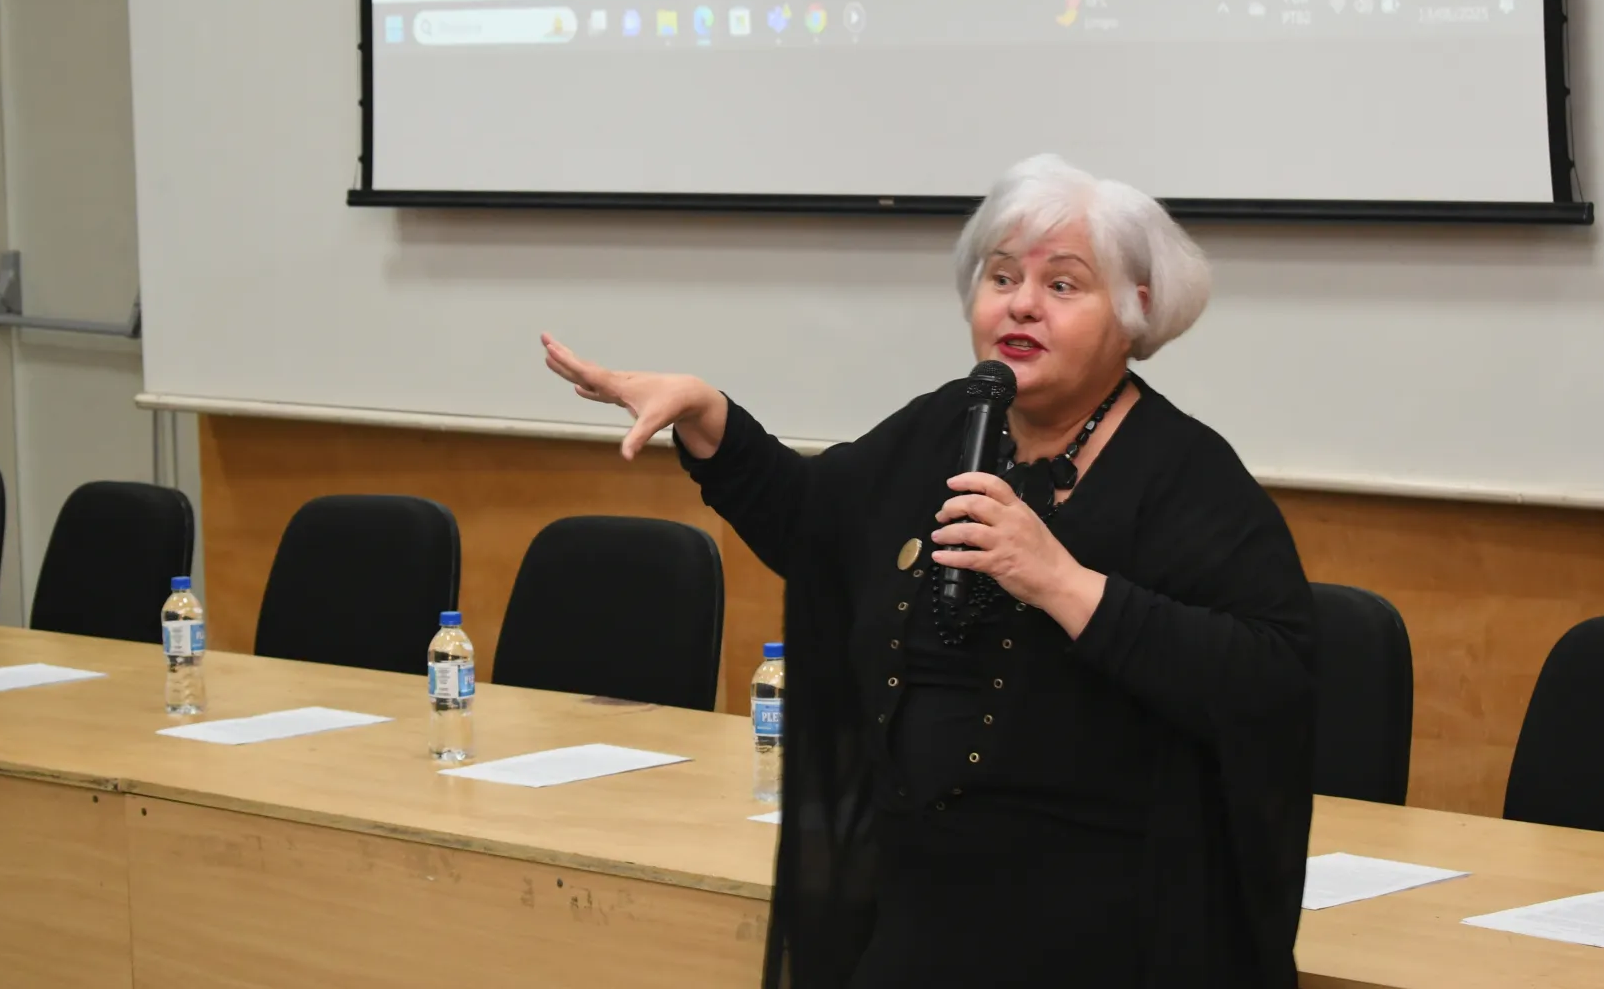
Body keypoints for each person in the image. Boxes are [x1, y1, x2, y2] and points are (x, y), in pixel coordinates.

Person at [541, 154, 1315, 987]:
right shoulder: (952, 424)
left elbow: (1271, 676)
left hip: (1105, 925)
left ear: (1137, 312)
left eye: (1062, 285)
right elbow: (818, 528)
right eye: (1002, 277)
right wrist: (706, 415)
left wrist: (1061, 581)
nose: (1021, 303)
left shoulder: (1185, 474)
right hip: (921, 902)